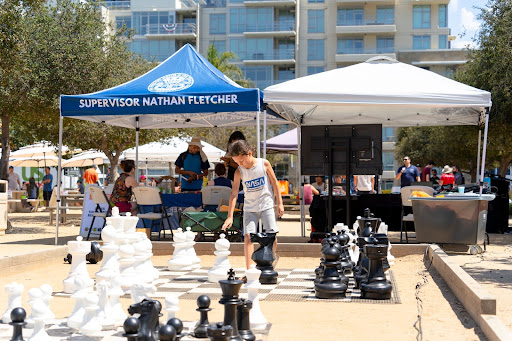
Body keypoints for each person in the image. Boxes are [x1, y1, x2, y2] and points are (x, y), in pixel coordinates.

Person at [221, 140, 284, 272]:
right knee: (248, 236)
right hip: (250, 207)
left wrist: (280, 203)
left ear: (249, 154)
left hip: (266, 204)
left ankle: (270, 262)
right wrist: (230, 216)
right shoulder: (239, 171)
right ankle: (249, 269)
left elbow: (274, 183)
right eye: (237, 162)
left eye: (241, 161)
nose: (239, 164)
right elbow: (233, 194)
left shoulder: (264, 164)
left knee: (272, 234)